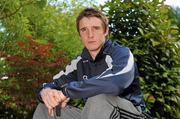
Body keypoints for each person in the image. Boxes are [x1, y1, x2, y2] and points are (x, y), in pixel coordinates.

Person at [33, 7, 148, 119]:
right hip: (96, 114)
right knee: (45, 108)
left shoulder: (121, 53)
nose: (90, 35)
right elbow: (53, 84)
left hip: (129, 114)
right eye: (84, 30)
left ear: (105, 31)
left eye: (96, 28)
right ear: (80, 35)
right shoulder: (79, 62)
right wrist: (46, 92)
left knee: (99, 98)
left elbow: (115, 84)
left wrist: (67, 92)